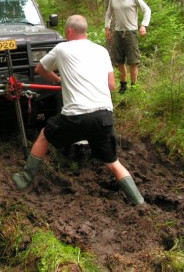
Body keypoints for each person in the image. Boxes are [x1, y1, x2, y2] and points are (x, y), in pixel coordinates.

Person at [12, 15, 144, 206]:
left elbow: (40, 69)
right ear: (86, 31)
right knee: (113, 163)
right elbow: (112, 85)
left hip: (75, 116)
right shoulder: (101, 51)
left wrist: (60, 81)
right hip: (103, 116)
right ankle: (139, 201)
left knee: (44, 135)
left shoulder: (62, 48)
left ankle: (24, 179)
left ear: (69, 31)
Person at [105, 0, 151, 94]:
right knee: (119, 60)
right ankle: (123, 84)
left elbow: (146, 10)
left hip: (131, 32)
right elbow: (108, 14)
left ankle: (134, 85)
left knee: (133, 61)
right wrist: (107, 28)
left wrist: (143, 25)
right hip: (118, 32)